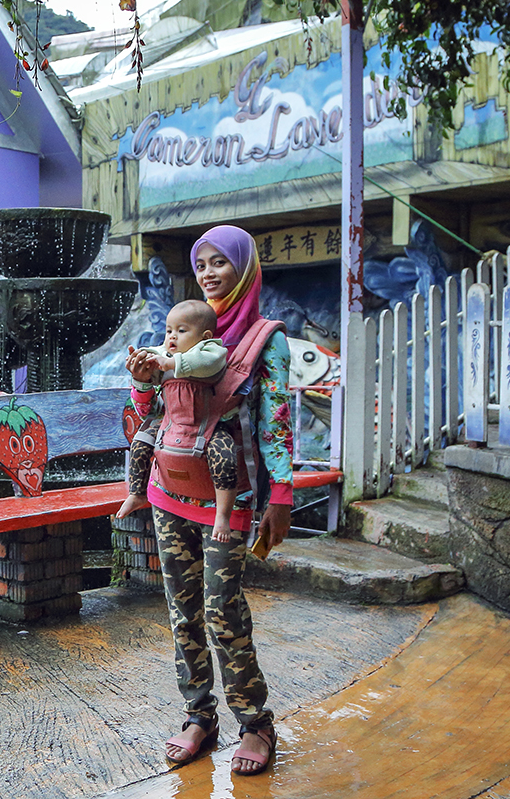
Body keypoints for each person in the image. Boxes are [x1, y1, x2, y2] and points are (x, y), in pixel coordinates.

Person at [115, 224, 293, 776]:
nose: (211, 272)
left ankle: (255, 722)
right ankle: (199, 715)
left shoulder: (266, 337)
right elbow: (149, 412)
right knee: (182, 610)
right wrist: (143, 378)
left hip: (229, 498)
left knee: (222, 608)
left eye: (221, 261)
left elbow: (277, 423)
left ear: (244, 266)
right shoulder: (178, 330)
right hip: (169, 491)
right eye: (203, 262)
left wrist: (281, 493)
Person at [120, 299, 241, 544]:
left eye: (181, 331)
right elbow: (147, 400)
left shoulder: (210, 351)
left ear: (205, 336)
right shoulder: (165, 355)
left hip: (206, 424)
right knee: (141, 440)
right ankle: (136, 492)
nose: (172, 337)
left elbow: (208, 363)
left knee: (225, 456)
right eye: (169, 330)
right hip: (170, 424)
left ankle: (222, 514)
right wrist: (139, 372)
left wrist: (173, 363)